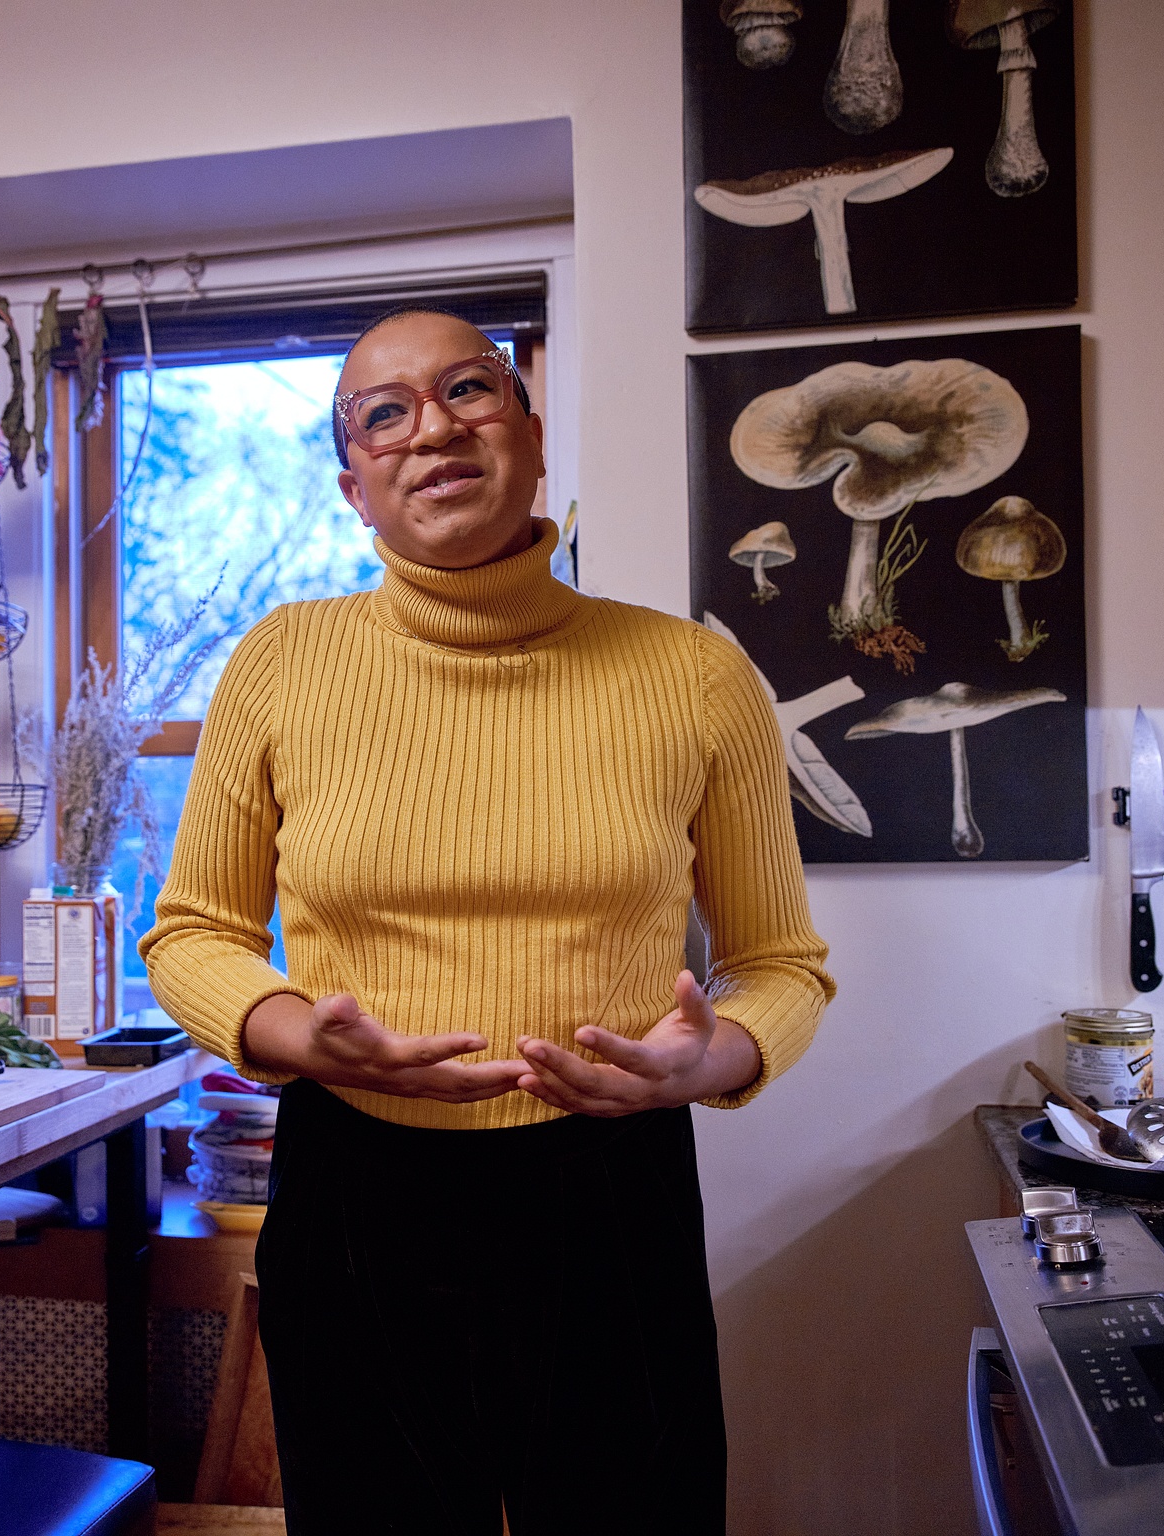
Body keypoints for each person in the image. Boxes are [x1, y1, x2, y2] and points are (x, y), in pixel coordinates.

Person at [140, 308, 834, 1534]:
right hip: (358, 1188)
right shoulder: (280, 663)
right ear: (352, 485)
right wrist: (294, 1033)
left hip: (609, 1193)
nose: (433, 429)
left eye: (470, 389)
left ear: (529, 432)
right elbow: (192, 931)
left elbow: (778, 965)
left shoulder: (694, 675)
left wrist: (709, 1058)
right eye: (383, 414)